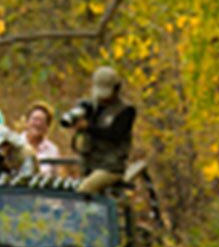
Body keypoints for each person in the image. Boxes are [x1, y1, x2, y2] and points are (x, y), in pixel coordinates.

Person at [65, 65, 136, 195]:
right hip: (89, 162)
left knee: (84, 191)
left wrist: (89, 127)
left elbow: (115, 134)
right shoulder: (91, 105)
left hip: (111, 166)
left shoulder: (125, 110)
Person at [23, 100, 62, 176]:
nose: (37, 124)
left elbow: (56, 177)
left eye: (42, 121)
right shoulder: (14, 144)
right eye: (34, 119)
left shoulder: (52, 150)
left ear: (47, 127)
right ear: (27, 122)